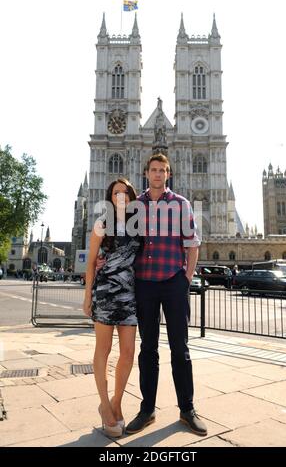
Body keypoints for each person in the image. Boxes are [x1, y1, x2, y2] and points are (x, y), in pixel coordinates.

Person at [96, 153, 207, 437]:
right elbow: (118, 237)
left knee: (180, 348)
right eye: (153, 170)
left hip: (173, 282)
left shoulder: (180, 205)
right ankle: (147, 410)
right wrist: (102, 259)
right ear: (146, 173)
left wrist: (187, 278)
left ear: (168, 174)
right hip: (143, 284)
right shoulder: (135, 206)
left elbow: (192, 244)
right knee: (148, 350)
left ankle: (187, 408)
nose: (157, 174)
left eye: (162, 170)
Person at [83, 178, 141, 438]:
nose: (121, 197)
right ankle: (105, 406)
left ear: (131, 197)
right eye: (116, 193)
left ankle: (117, 401)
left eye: (125, 193)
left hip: (129, 295)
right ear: (109, 197)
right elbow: (91, 262)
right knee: (103, 351)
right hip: (105, 293)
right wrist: (87, 297)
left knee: (128, 353)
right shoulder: (101, 224)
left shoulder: (138, 226)